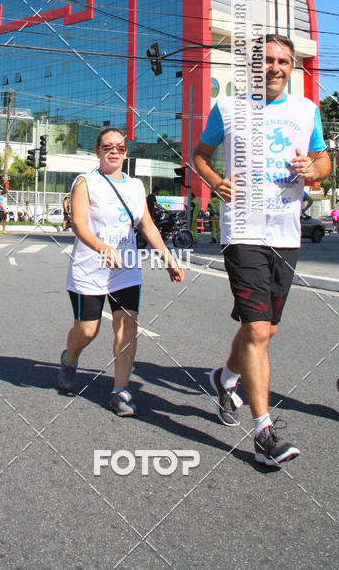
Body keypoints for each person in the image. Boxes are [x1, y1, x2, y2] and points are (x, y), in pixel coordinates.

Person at [193, 34, 330, 466]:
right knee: (256, 330)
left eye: (283, 61)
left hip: (287, 233)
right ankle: (263, 431)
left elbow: (325, 162)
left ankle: (224, 377)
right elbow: (199, 155)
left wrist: (313, 168)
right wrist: (216, 183)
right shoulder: (229, 108)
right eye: (267, 60)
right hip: (244, 230)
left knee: (266, 329)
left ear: (293, 67)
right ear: (255, 67)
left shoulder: (307, 110)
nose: (275, 67)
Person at [57, 127, 184, 415]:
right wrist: (102, 248)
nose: (114, 151)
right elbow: (79, 224)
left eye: (120, 147)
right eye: (107, 147)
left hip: (125, 269)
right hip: (89, 270)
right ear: (97, 152)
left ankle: (120, 391)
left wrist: (168, 260)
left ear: (126, 153)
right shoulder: (85, 182)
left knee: (128, 327)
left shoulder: (136, 186)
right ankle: (70, 358)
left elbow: (147, 226)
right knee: (88, 330)